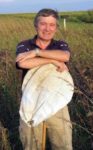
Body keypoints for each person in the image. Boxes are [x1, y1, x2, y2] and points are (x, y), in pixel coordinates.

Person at [16, 8, 73, 150]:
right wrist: (52, 61)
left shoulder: (60, 45)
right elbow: (22, 62)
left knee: (63, 144)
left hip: (57, 100)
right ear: (36, 25)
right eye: (43, 24)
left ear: (56, 27)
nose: (47, 29)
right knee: (31, 145)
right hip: (30, 102)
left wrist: (36, 53)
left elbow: (65, 56)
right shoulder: (24, 45)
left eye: (52, 25)